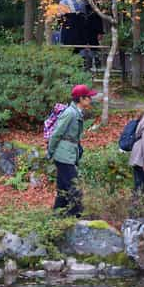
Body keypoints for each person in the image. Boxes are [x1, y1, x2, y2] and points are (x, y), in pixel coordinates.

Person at [47, 84, 96, 217]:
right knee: (74, 187)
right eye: (88, 97)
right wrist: (50, 152)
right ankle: (76, 215)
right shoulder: (70, 113)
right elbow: (56, 133)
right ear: (81, 99)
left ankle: (57, 215)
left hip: (68, 154)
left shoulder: (77, 112)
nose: (90, 99)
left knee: (63, 188)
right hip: (63, 155)